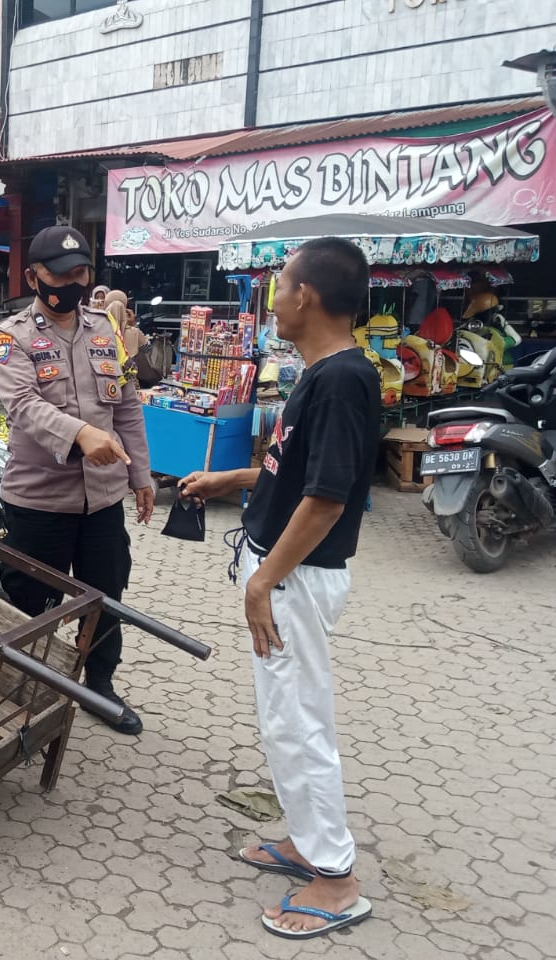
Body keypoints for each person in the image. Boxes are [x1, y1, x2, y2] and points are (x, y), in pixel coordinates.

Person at [179, 237, 379, 940]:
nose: (272, 295)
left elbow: (326, 501)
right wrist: (232, 481)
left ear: (309, 296)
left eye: (281, 283)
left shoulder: (344, 379)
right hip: (281, 575)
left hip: (295, 580)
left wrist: (263, 581)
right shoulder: (319, 374)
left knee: (302, 727)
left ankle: (337, 880)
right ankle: (305, 843)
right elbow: (295, 474)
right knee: (283, 724)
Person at [0, 226, 154, 736]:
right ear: (33, 276)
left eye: (80, 273)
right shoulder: (10, 337)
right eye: (60, 275)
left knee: (106, 596)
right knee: (28, 603)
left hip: (102, 501)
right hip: (39, 502)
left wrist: (141, 475)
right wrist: (81, 433)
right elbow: (23, 406)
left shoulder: (106, 331)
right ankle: (15, 690)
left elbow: (127, 407)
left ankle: (98, 687)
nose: (71, 283)